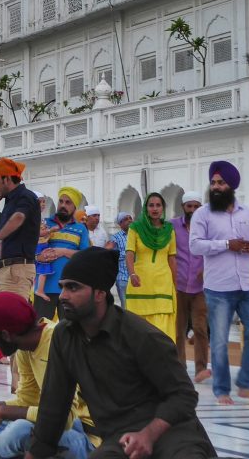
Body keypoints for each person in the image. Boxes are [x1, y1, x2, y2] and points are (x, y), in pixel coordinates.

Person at [23, 247, 218, 459]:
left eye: (73, 288)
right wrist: (36, 452)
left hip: (173, 436)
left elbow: (184, 395)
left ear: (100, 293)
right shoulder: (64, 335)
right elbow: (55, 404)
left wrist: (148, 435)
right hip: (120, 439)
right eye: (62, 287)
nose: (63, 296)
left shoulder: (141, 335)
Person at [0, 292, 97, 459]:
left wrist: (2, 412)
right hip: (49, 425)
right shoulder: (25, 349)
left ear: (6, 335)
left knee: (21, 429)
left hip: (86, 436)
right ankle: (4, 449)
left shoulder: (56, 342)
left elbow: (63, 417)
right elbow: (26, 401)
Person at [189, 160, 249, 405]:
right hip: (219, 288)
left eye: (220, 182)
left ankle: (245, 384)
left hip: (247, 285)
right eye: (213, 182)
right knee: (220, 340)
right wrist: (225, 245)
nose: (215, 186)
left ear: (231, 185)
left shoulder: (247, 213)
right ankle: (222, 390)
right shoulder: (203, 214)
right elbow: (195, 245)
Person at [0, 158, 40, 299]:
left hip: (17, 270)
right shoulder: (9, 201)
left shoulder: (25, 196)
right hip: (7, 269)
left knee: (13, 316)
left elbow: (19, 218)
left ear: (7, 179)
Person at [170, 191, 210, 382]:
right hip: (177, 285)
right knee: (178, 329)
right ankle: (179, 367)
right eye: (189, 206)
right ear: (183, 207)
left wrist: (207, 270)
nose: (193, 210)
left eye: (196, 206)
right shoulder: (172, 226)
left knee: (201, 328)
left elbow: (213, 251)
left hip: (200, 287)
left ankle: (201, 368)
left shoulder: (207, 227)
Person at [125, 192, 177, 338]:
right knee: (139, 329)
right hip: (140, 282)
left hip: (163, 283)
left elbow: (172, 259)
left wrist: (175, 283)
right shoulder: (135, 228)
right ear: (146, 208)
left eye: (158, 205)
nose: (155, 209)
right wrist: (132, 273)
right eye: (151, 205)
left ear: (163, 208)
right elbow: (129, 253)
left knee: (162, 330)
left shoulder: (169, 230)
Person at [33, 186, 89, 320]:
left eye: (68, 202)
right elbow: (31, 251)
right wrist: (39, 257)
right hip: (44, 289)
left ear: (75, 207)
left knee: (69, 331)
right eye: (61, 201)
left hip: (70, 290)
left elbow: (85, 256)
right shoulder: (45, 225)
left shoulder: (80, 229)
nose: (63, 205)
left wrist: (63, 251)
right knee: (40, 330)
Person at [105, 212, 132, 307]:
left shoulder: (137, 236)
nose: (129, 220)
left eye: (130, 218)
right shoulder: (116, 237)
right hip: (123, 278)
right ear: (120, 224)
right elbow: (107, 250)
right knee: (126, 306)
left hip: (136, 277)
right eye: (126, 219)